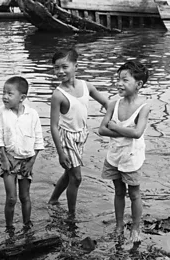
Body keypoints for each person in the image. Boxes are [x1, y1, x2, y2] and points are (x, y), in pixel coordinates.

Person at [47, 48, 108, 219]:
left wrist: (124, 115)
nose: (60, 72)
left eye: (64, 67)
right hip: (66, 137)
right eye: (56, 68)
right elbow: (53, 125)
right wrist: (60, 153)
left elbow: (107, 103)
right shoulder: (58, 95)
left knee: (69, 174)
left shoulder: (86, 86)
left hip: (81, 135)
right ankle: (72, 215)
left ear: (76, 66)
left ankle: (53, 200)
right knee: (77, 177)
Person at [98, 60, 151, 244]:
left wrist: (114, 127)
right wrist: (119, 129)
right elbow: (101, 129)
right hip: (114, 155)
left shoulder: (143, 107)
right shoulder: (114, 104)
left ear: (139, 84)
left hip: (132, 157)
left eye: (125, 80)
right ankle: (119, 225)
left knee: (135, 193)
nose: (119, 83)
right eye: (118, 79)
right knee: (118, 191)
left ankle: (135, 227)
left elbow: (137, 133)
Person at [0, 76, 44, 237]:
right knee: (11, 198)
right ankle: (9, 229)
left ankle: (27, 226)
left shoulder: (32, 114)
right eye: (3, 92)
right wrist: (3, 158)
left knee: (25, 196)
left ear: (22, 98)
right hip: (8, 159)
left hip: (27, 160)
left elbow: (38, 140)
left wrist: (32, 163)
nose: (5, 97)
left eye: (9, 93)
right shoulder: (2, 112)